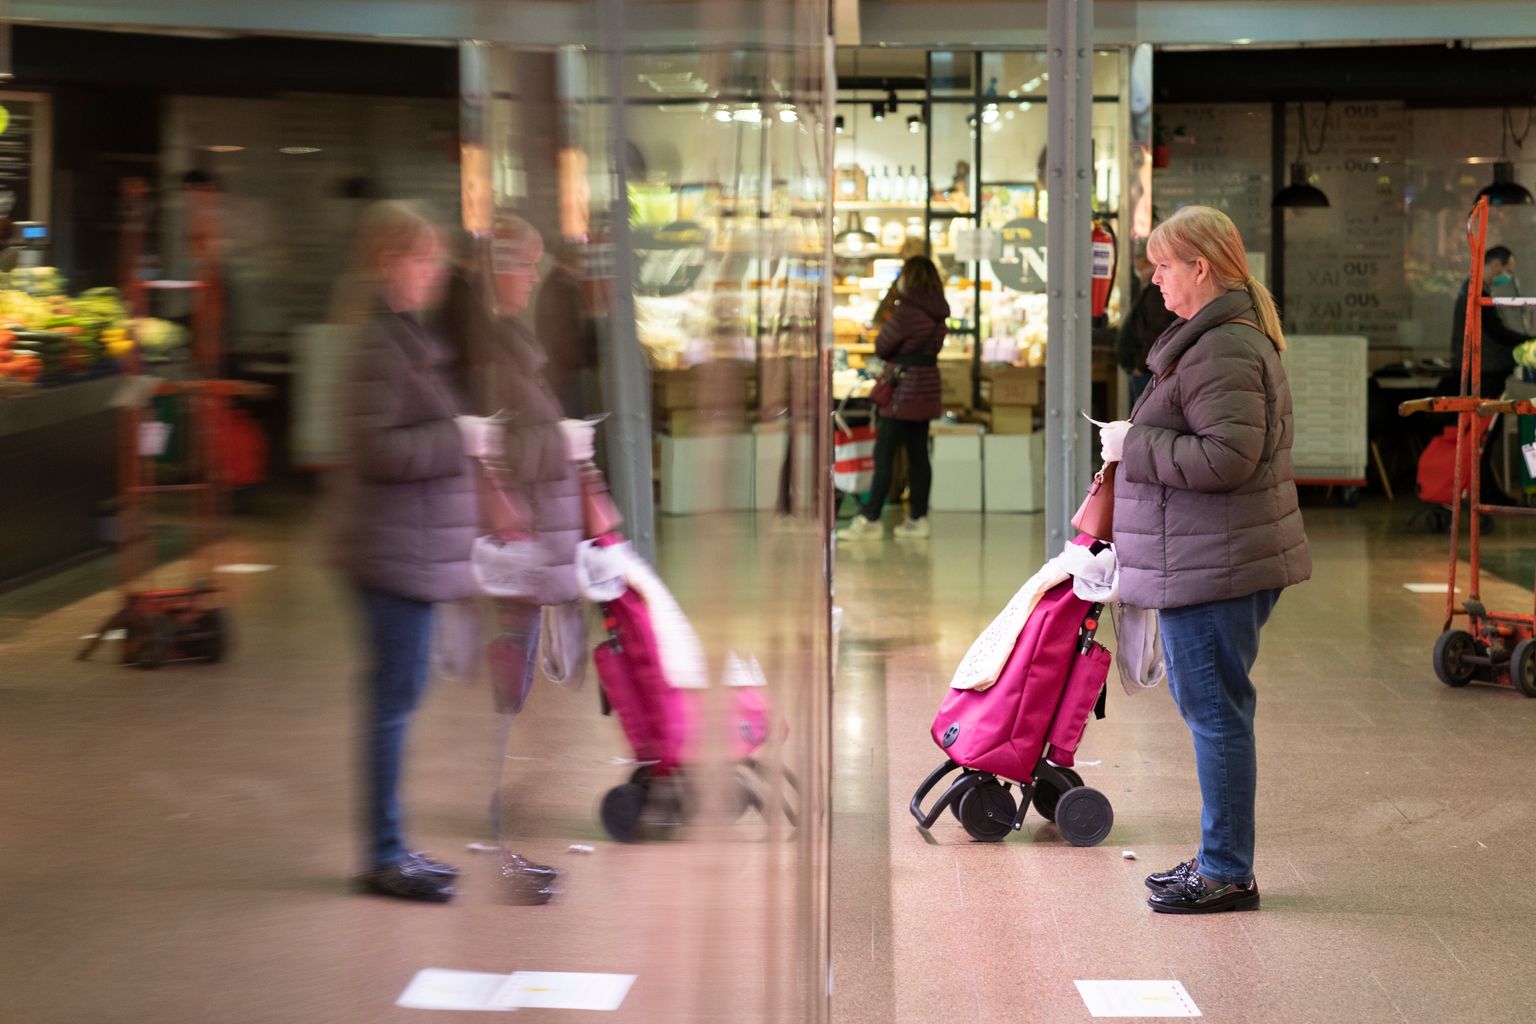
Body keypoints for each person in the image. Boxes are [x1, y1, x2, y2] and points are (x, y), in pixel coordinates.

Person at [1096, 205, 1311, 914]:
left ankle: (1225, 870)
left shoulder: (1221, 348)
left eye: (1163, 266)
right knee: (1213, 708)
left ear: (1202, 269)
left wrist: (1135, 444)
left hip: (1216, 562)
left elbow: (1227, 457)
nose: (1154, 280)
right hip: (1209, 553)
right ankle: (1222, 860)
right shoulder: (1212, 339)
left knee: (1215, 713)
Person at [331, 202, 492, 903]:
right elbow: (375, 448)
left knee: (398, 697)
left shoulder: (404, 336)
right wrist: (459, 437)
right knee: (392, 702)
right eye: (422, 259)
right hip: (390, 551)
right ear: (389, 261)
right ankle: (384, 855)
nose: (432, 272)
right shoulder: (378, 344)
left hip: (409, 548)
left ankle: (391, 847)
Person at [439, 216, 593, 904]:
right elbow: (490, 446)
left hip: (523, 543)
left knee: (512, 674)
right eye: (524, 265)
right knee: (503, 675)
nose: (532, 278)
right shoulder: (484, 346)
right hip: (505, 545)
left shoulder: (502, 336)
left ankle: (487, 810)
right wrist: (561, 448)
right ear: (498, 267)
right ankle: (485, 816)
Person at [838, 255, 949, 542]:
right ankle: (918, 518)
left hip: (903, 391)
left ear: (908, 279)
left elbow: (882, 345)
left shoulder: (907, 311)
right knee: (918, 456)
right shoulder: (939, 312)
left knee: (884, 454)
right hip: (927, 388)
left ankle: (870, 518)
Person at [1450, 245, 1527, 400]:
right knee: (1483, 416)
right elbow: (1496, 331)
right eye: (1508, 271)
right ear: (1496, 265)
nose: (1508, 277)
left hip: (1479, 369)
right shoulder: (1477, 295)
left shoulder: (1474, 289)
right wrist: (1527, 340)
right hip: (1483, 372)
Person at [1116, 242, 1177, 405]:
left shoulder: (1158, 291)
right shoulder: (1152, 288)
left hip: (1147, 372)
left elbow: (1156, 331)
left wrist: (1141, 366)